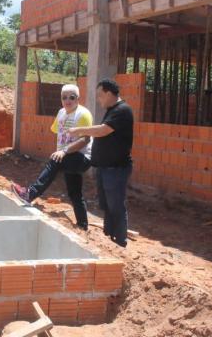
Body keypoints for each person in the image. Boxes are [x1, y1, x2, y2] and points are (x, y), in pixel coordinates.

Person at [12, 84, 93, 230]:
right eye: (64, 97)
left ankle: (30, 193)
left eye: (72, 97)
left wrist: (63, 151)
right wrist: (61, 150)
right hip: (68, 155)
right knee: (74, 191)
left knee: (55, 162)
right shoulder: (61, 113)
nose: (68, 100)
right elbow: (57, 130)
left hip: (82, 157)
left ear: (78, 98)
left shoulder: (83, 114)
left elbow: (85, 140)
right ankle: (83, 224)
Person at [68, 79, 133, 247]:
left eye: (100, 95)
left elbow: (103, 130)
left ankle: (120, 240)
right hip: (106, 168)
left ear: (109, 93)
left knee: (116, 204)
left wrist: (80, 130)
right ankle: (109, 237)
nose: (98, 99)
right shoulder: (113, 110)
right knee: (106, 204)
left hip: (116, 169)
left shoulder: (122, 110)